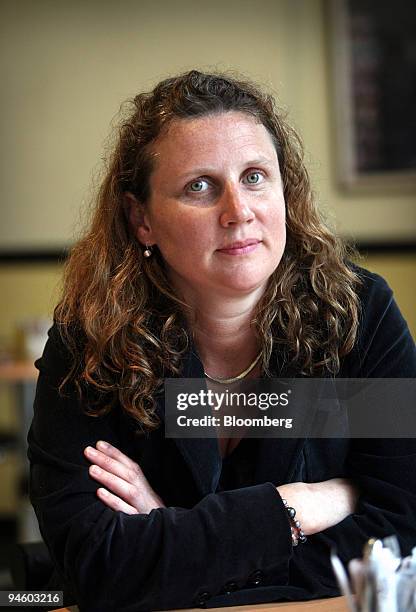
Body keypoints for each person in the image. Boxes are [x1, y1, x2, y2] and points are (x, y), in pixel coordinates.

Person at [28, 70, 416, 611]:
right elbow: (92, 565)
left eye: (256, 176)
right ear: (142, 220)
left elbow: (399, 533)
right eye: (200, 187)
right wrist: (298, 507)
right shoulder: (91, 340)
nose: (239, 212)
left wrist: (174, 539)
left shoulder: (359, 313)